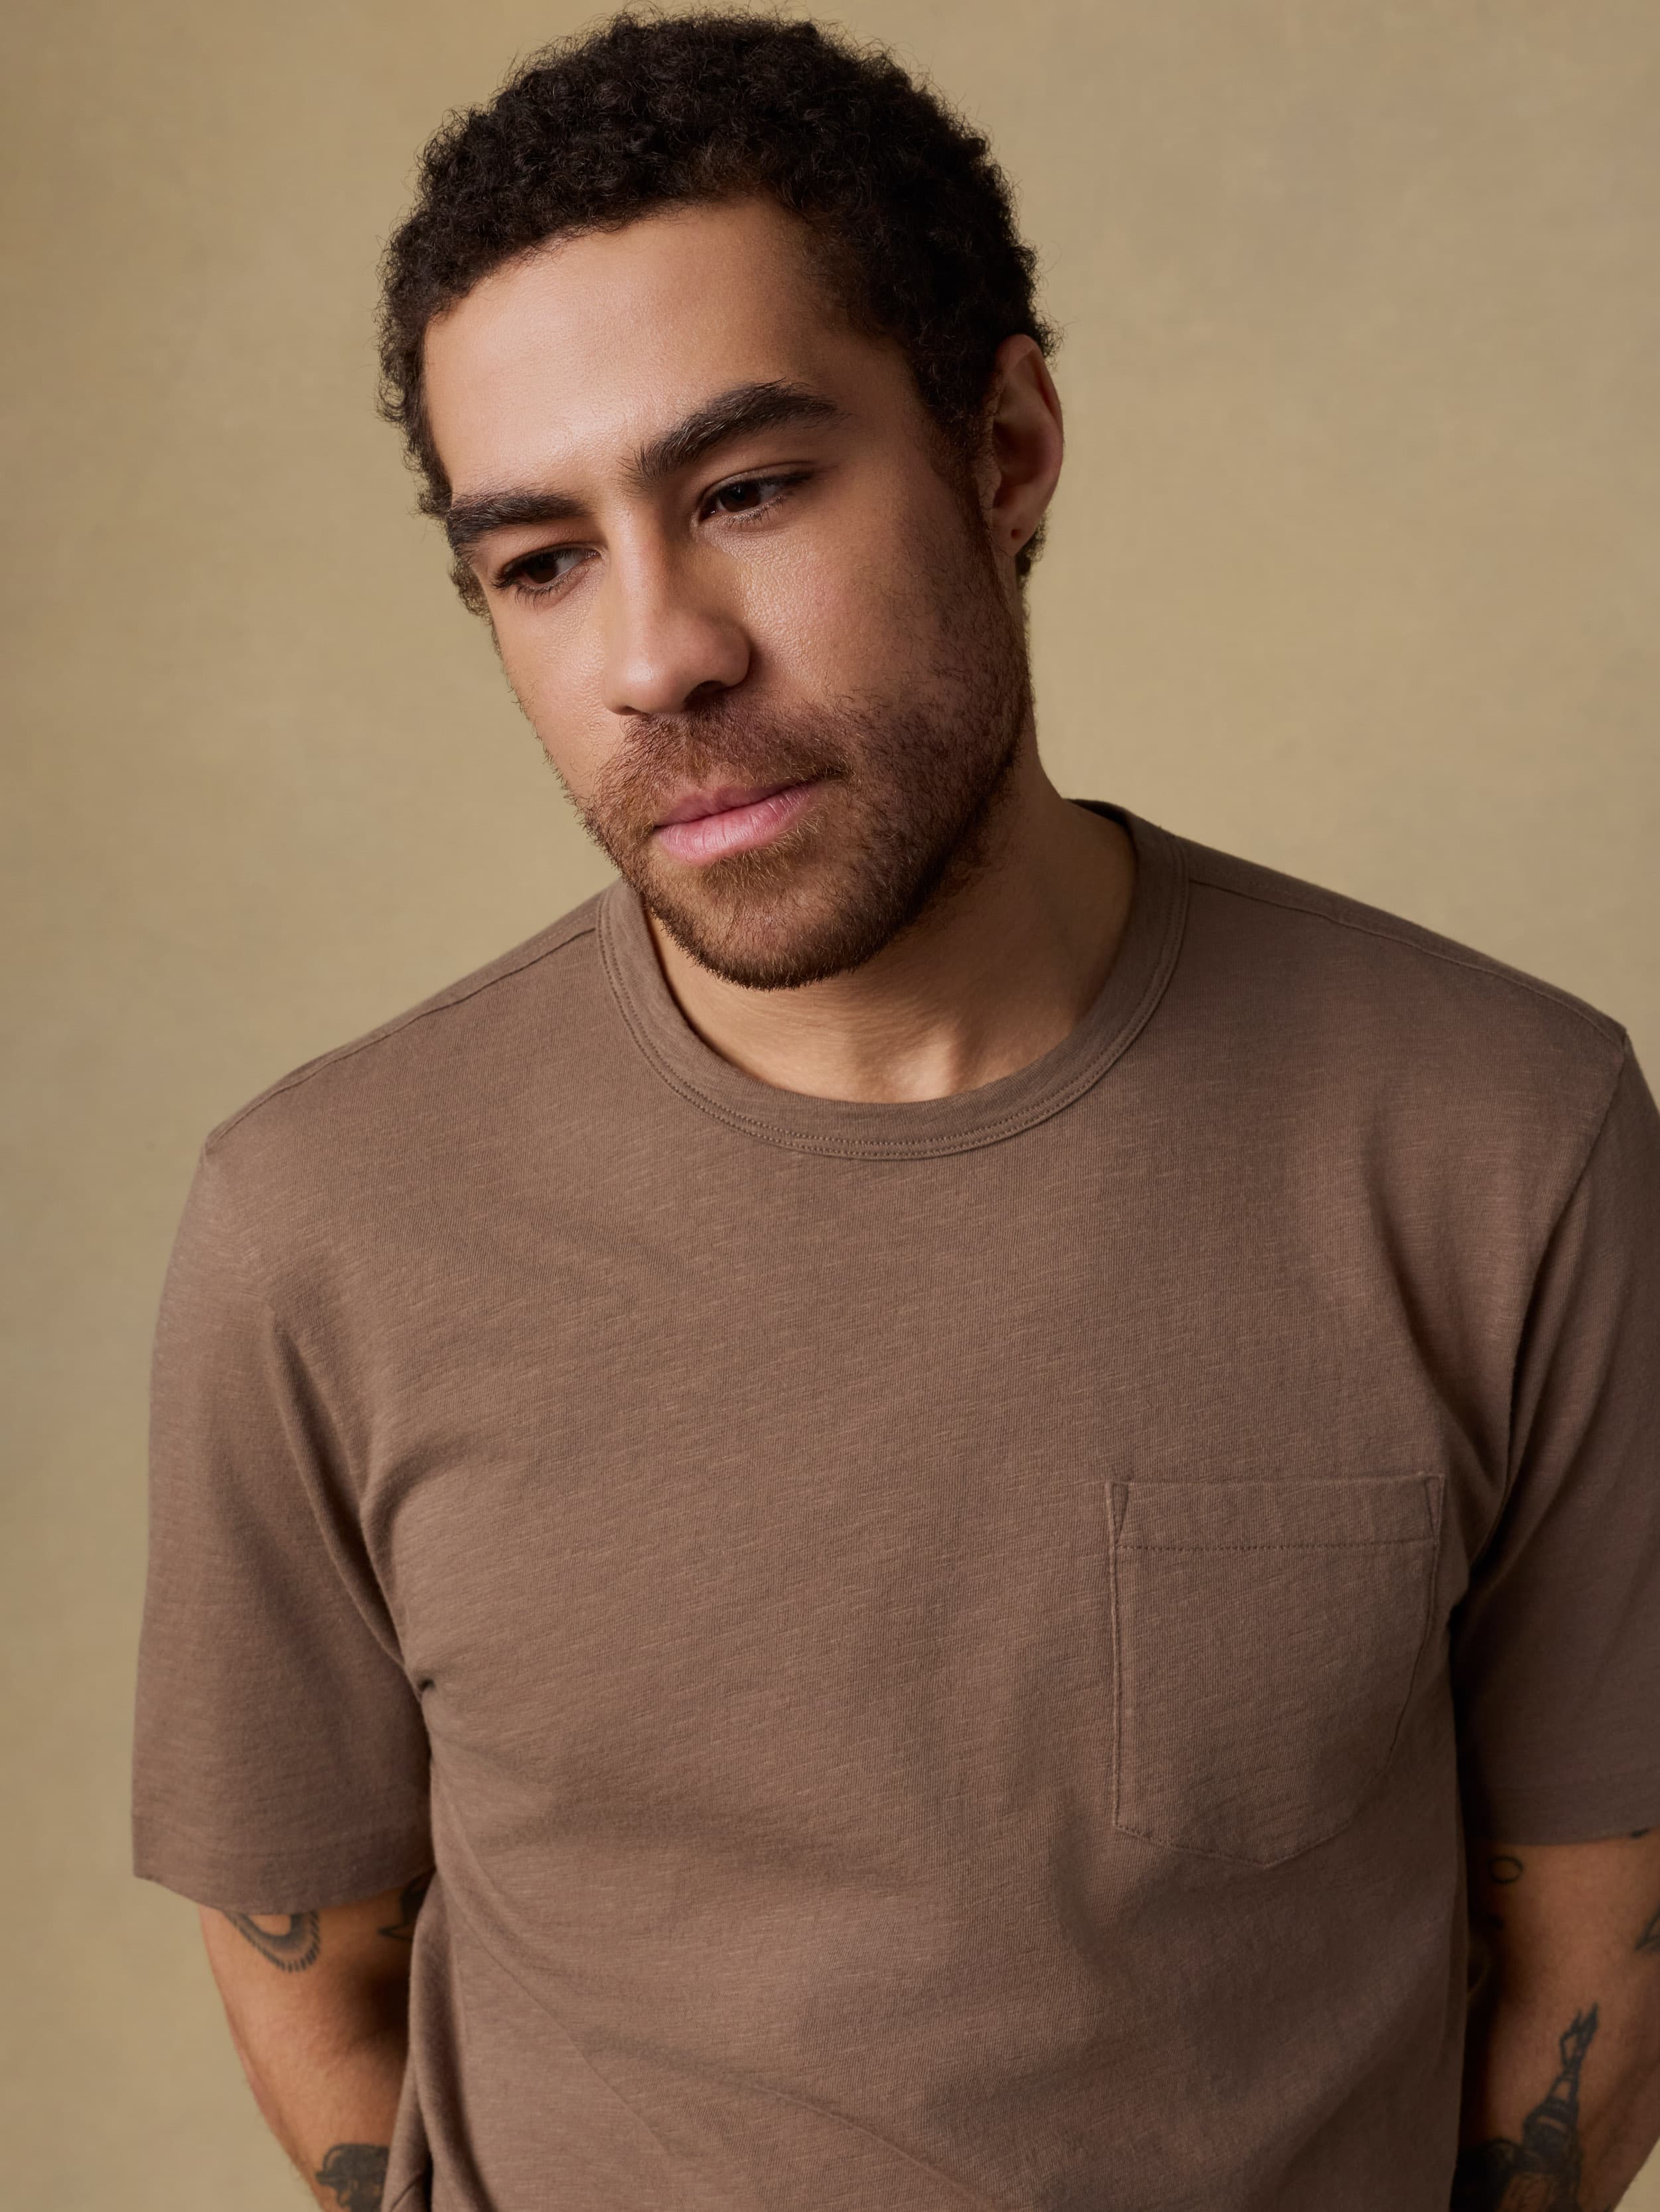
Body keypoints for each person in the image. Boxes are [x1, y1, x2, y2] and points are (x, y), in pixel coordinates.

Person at [132, 14, 1660, 2211]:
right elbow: (314, 1973)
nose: (657, 656)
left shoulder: (1508, 1142)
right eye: (541, 559)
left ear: (1009, 445)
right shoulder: (321, 1224)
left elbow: (1590, 1967)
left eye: (747, 491)